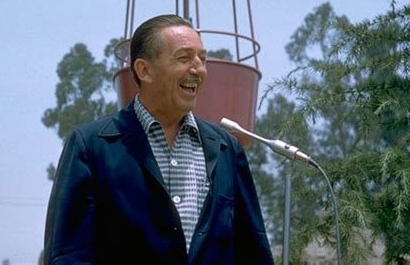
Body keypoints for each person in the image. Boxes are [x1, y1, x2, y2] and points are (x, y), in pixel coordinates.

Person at [44, 14, 274, 264]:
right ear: (144, 70)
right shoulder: (91, 147)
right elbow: (68, 255)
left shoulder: (226, 148)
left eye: (202, 59)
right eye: (184, 58)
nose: (198, 69)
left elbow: (254, 252)